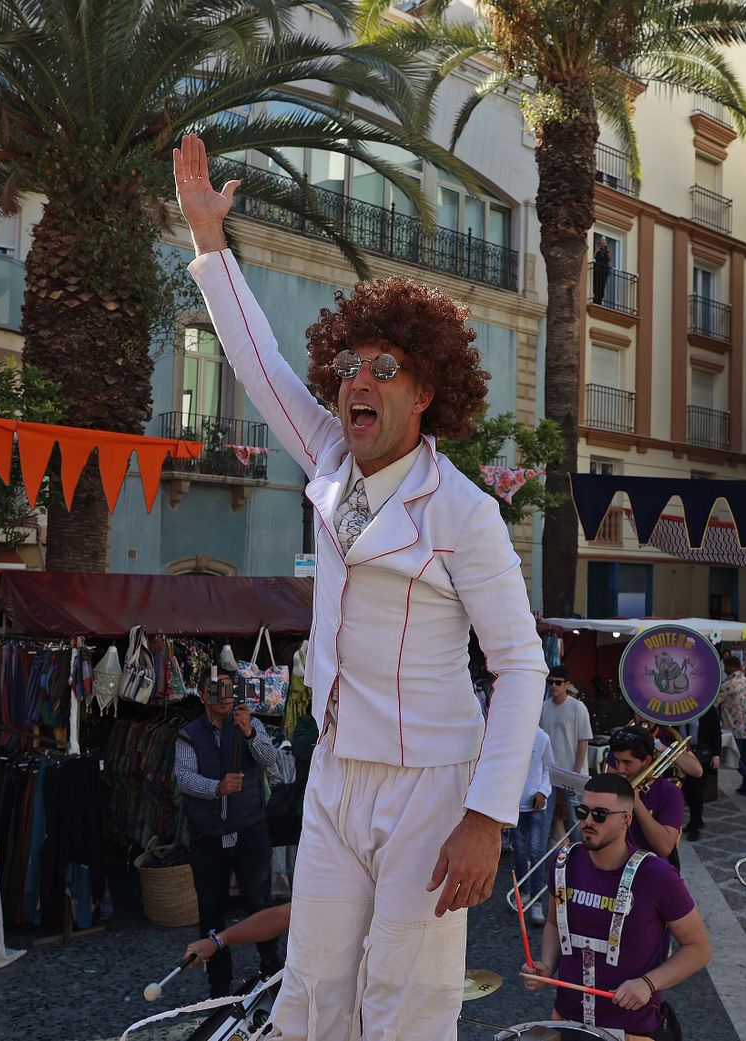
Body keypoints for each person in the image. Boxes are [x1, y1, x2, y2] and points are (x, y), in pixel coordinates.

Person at [176, 133, 548, 1041]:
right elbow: (259, 364)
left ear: (426, 392)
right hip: (336, 770)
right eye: (350, 366)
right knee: (311, 984)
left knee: (405, 1000)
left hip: (430, 783)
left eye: (385, 368)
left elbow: (521, 665)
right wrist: (208, 244)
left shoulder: (464, 512)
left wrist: (486, 818)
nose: (358, 382)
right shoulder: (332, 459)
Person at [521, 773, 711, 1041]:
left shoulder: (657, 875)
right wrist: (547, 967)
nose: (587, 821)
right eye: (583, 811)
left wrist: (648, 984)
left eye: (600, 814)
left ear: (626, 820)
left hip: (633, 1031)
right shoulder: (563, 863)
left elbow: (698, 948)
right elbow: (554, 923)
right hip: (566, 1022)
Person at [175, 672, 284, 993]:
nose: (223, 696)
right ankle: (219, 984)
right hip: (206, 834)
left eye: (229, 689)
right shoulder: (189, 734)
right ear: (202, 694)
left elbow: (271, 759)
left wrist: (250, 732)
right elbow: (183, 777)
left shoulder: (250, 724)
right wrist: (217, 788)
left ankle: (272, 970)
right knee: (210, 908)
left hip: (250, 828)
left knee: (258, 901)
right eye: (215, 690)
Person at [607, 728, 683, 860]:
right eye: (617, 761)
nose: (620, 769)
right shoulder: (612, 785)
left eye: (627, 762)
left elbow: (664, 848)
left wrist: (636, 802)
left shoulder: (670, 793)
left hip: (651, 869)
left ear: (647, 761)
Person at [541, 665, 594, 839]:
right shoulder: (544, 707)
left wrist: (576, 773)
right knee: (545, 818)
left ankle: (581, 855)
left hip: (571, 772)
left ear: (567, 684)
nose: (553, 686)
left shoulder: (578, 707)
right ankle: (548, 860)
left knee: (575, 819)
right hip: (549, 773)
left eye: (558, 682)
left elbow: (583, 741)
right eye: (550, 682)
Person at [514, 726, 556, 925]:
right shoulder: (511, 734)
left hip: (536, 804)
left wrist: (542, 791)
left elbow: (549, 768)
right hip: (515, 805)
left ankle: (538, 901)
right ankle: (522, 893)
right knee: (520, 851)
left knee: (536, 852)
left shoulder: (542, 737)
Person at [717, 656, 746, 799]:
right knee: (745, 758)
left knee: (736, 760)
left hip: (735, 729)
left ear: (731, 667)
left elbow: (715, 703)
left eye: (725, 667)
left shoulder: (728, 685)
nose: (724, 670)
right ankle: (745, 787)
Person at [678, 707, 722, 843]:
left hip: (701, 754)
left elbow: (716, 733)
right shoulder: (676, 708)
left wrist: (716, 755)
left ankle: (695, 826)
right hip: (682, 754)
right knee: (686, 790)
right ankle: (695, 820)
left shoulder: (708, 709)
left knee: (696, 791)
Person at [591, 238, 612, 306]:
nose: (603, 244)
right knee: (597, 285)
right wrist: (597, 251)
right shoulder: (596, 250)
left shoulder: (607, 251)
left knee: (602, 287)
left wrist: (608, 251)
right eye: (602, 242)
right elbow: (593, 258)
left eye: (604, 242)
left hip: (604, 270)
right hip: (597, 270)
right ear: (599, 243)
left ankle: (600, 300)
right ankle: (596, 299)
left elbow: (610, 259)